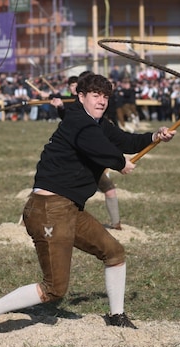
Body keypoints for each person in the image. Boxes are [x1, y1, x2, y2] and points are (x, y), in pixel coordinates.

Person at [0, 73, 176, 331]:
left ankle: (117, 316)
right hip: (49, 209)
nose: (101, 101)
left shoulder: (97, 124)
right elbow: (98, 148)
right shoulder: (78, 122)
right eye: (95, 95)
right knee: (54, 289)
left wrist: (154, 136)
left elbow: (124, 140)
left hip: (70, 209)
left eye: (105, 96)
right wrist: (119, 163)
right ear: (81, 97)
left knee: (114, 252)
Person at [51, 72, 122, 230]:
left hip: (92, 162)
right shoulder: (76, 108)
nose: (101, 101)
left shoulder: (96, 107)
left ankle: (116, 225)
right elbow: (68, 117)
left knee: (109, 189)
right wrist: (61, 107)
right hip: (75, 165)